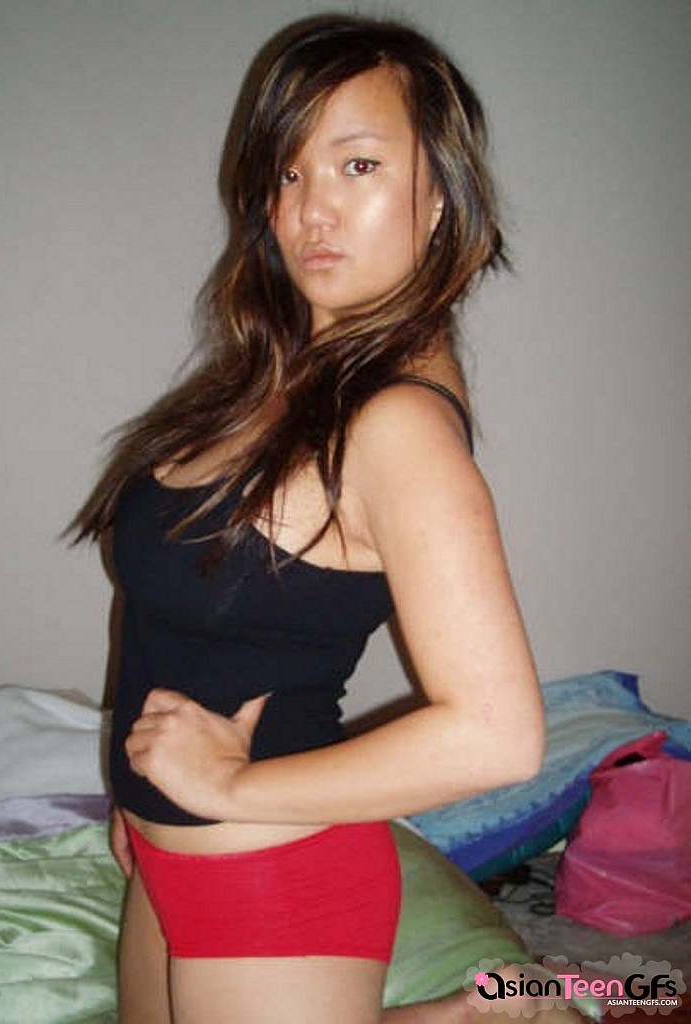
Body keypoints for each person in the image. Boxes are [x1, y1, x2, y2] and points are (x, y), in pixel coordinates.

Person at [70, 14, 545, 1024]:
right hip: (165, 846)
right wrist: (136, 793)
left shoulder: (395, 423)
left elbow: (497, 736)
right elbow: (167, 617)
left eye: (357, 165)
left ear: (439, 199)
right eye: (287, 174)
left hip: (275, 874)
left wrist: (228, 790)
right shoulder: (271, 382)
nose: (309, 209)